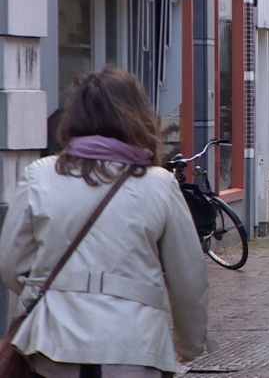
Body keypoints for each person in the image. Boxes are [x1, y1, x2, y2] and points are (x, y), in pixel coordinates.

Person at [0, 66, 214, 377]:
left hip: (54, 346)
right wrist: (189, 343)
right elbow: (189, 277)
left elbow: (11, 263)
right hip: (136, 347)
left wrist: (53, 291)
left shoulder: (41, 175)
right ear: (138, 117)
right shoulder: (160, 184)